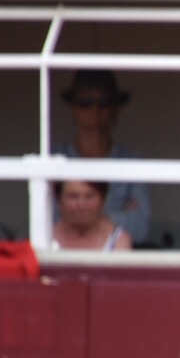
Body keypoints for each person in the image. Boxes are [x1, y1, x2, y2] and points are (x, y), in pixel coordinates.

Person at [55, 69, 150, 244]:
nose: (95, 109)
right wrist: (115, 217)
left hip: (118, 258)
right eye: (85, 102)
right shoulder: (57, 160)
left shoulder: (131, 162)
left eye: (105, 102)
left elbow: (140, 227)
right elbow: (49, 223)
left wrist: (82, 218)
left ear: (116, 109)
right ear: (73, 108)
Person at [50, 180, 132, 252]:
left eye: (89, 196)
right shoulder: (46, 236)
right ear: (59, 201)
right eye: (73, 196)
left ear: (102, 200)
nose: (81, 205)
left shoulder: (118, 240)